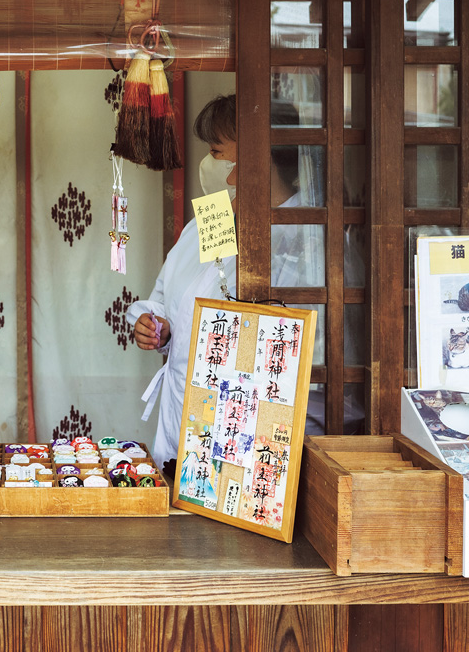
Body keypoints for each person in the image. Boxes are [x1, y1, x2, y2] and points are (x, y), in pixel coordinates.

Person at [125, 94, 360, 472]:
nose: (215, 166)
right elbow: (166, 300)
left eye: (217, 152)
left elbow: (305, 359)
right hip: (183, 419)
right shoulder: (208, 223)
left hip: (248, 441)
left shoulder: (308, 240)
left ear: (255, 158)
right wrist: (158, 328)